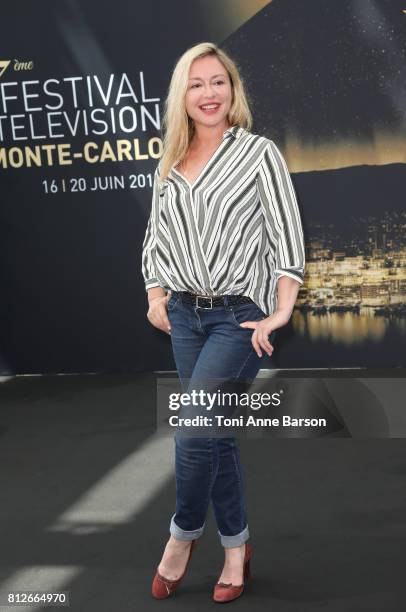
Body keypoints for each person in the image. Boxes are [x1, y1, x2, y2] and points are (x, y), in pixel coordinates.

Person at [141, 41, 305, 603]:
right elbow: (155, 239)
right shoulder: (168, 162)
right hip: (184, 318)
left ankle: (180, 538)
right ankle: (236, 549)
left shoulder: (258, 153)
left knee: (192, 431)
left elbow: (286, 237)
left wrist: (280, 310)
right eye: (197, 83)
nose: (209, 94)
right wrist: (155, 293)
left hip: (239, 319)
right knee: (216, 437)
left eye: (219, 82)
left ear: (233, 90)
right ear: (181, 96)